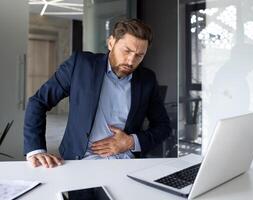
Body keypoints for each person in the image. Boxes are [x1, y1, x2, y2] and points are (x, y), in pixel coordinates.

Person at [23, 19, 171, 168]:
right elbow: (39, 101)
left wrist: (131, 142)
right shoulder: (80, 65)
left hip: (127, 164)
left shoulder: (147, 79)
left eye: (139, 55)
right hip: (80, 162)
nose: (131, 61)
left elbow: (163, 126)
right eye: (126, 51)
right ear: (111, 43)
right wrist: (36, 149)